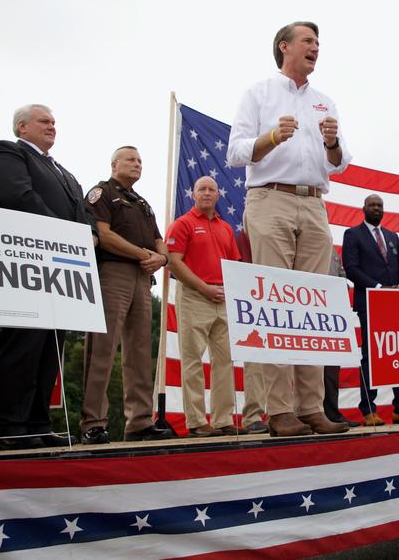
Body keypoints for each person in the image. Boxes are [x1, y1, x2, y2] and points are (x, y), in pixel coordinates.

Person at [227, 20, 352, 437]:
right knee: (277, 305)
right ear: (285, 47)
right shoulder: (258, 93)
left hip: (315, 205)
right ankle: (280, 411)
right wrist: (271, 138)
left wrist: (333, 143)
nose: (316, 47)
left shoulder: (324, 101)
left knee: (314, 307)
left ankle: (312, 408)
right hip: (270, 199)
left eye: (318, 42)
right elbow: (236, 153)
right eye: (308, 41)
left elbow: (340, 162)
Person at [0, 104, 97, 450]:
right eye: (44, 121)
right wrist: (62, 233)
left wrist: (88, 234)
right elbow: (17, 195)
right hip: (24, 265)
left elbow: (83, 210)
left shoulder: (64, 172)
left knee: (50, 348)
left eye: (54, 122)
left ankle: (37, 422)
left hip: (60, 271)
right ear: (21, 126)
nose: (52, 127)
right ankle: (9, 426)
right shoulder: (7, 152)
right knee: (22, 343)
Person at [81, 146, 174, 443]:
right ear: (114, 164)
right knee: (102, 350)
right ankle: (93, 422)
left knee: (139, 352)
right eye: (130, 159)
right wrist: (142, 255)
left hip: (143, 278)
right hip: (113, 273)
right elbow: (103, 234)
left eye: (140, 161)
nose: (137, 164)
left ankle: (140, 422)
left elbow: (160, 240)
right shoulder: (102, 193)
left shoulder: (142, 203)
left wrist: (162, 259)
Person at [165, 176, 240, 437]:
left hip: (222, 298)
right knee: (193, 361)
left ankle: (222, 418)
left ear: (218, 195)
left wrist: (226, 291)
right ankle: (196, 421)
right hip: (195, 296)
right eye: (202, 189)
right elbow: (174, 262)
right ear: (193, 194)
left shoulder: (226, 228)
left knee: (224, 361)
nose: (207, 193)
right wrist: (203, 288)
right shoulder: (182, 224)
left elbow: (234, 265)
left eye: (211, 189)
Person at [342, 194, 399, 426]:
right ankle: (368, 411)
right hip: (370, 303)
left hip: (395, 306)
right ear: (364, 208)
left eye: (380, 206)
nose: (376, 209)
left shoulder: (391, 236)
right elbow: (351, 269)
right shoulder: (353, 235)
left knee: (398, 355)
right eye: (372, 205)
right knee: (371, 356)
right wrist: (378, 288)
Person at [233, 228, 268, 434]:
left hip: (283, 302)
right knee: (254, 361)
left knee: (284, 360)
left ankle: (280, 412)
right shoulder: (245, 235)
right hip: (253, 301)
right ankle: (253, 415)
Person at [322, 249, 361, 427]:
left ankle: (332, 413)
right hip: (306, 313)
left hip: (332, 312)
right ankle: (309, 413)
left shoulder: (330, 249)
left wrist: (340, 286)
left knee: (332, 366)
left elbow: (342, 274)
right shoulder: (298, 242)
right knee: (307, 369)